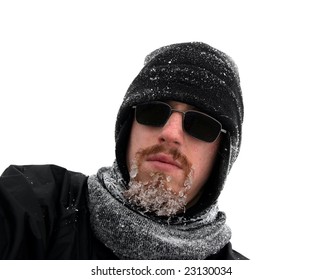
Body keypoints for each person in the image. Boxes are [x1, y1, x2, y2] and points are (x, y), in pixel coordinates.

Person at [0, 42, 247, 260]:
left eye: (201, 125)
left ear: (223, 154)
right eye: (154, 111)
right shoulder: (35, 205)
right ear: (128, 128)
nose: (171, 133)